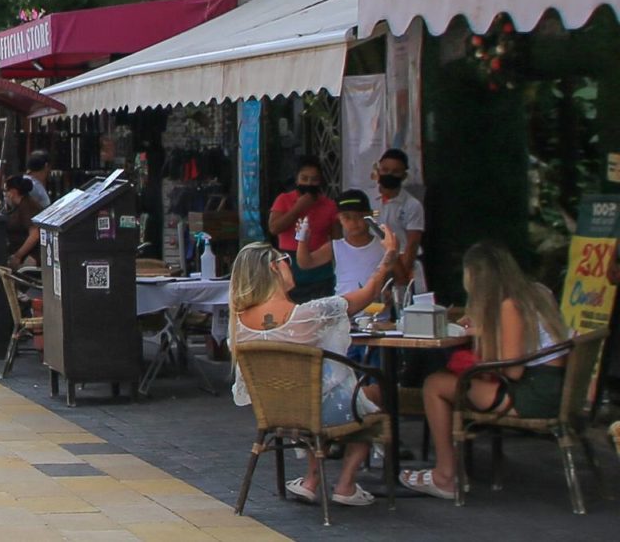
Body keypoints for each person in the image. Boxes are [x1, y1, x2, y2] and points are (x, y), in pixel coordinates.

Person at [229, 227, 400, 506]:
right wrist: (388, 257)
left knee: (318, 392)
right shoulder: (309, 314)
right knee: (373, 395)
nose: (290, 263)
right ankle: (345, 484)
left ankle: (311, 479)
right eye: (285, 259)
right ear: (274, 268)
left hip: (276, 411)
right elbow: (368, 294)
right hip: (318, 411)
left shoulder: (237, 324)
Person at [400, 242, 569, 499]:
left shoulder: (510, 306)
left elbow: (512, 371)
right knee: (446, 379)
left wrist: (483, 333)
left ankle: (446, 475)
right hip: (556, 388)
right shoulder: (537, 291)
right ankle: (450, 470)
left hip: (533, 394)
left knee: (435, 384)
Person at [268, 156, 339, 302]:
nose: (309, 183)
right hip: (289, 263)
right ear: (297, 180)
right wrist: (297, 209)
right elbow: (274, 228)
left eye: (314, 180)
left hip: (319, 265)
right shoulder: (284, 199)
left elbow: (337, 239)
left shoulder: (329, 205)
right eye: (304, 178)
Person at [373, 148, 426, 292]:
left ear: (404, 176)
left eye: (395, 171)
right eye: (385, 170)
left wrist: (401, 278)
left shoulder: (412, 205)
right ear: (378, 171)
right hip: (374, 267)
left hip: (403, 267)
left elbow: (412, 244)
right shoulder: (368, 200)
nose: (389, 174)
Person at [4, 175, 42, 270]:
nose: (5, 195)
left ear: (13, 192)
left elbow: (34, 235)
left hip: (32, 256)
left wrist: (18, 255)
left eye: (6, 191)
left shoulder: (28, 207)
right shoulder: (17, 207)